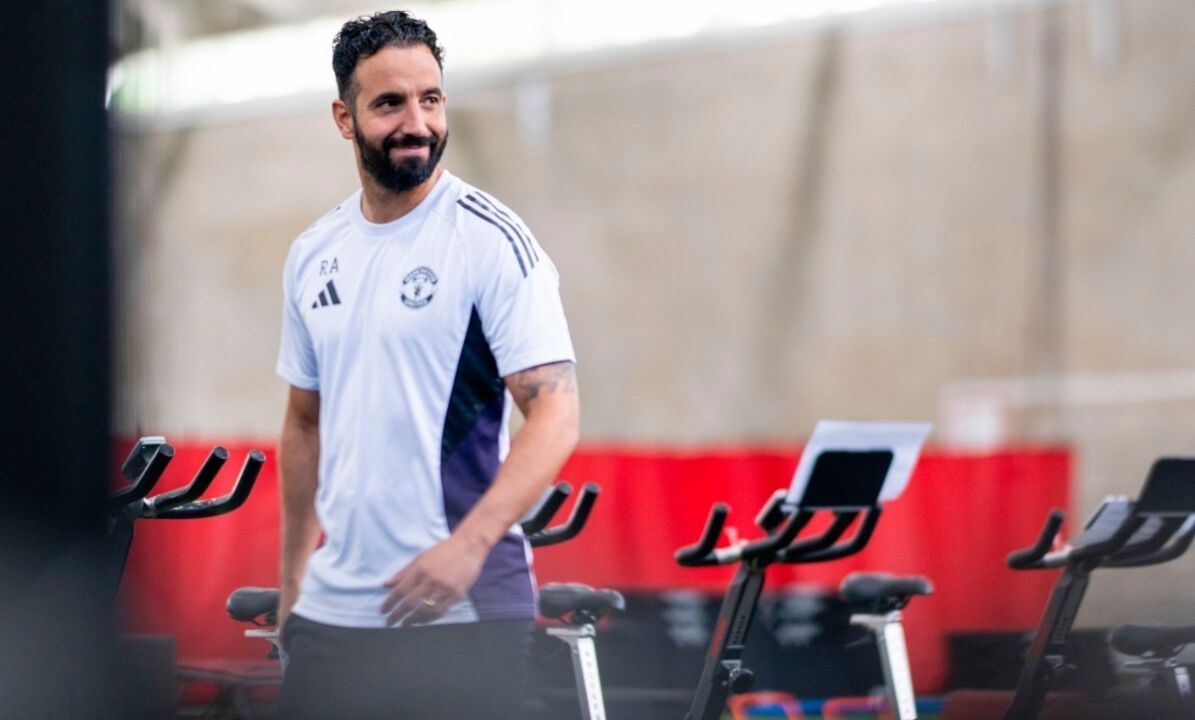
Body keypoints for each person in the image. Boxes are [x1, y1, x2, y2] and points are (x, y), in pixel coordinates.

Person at [274, 10, 580, 718]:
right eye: (389, 103)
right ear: (344, 118)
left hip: (461, 611)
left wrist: (469, 547)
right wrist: (292, 584)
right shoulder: (313, 253)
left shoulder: (491, 240)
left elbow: (556, 411)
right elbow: (302, 424)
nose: (417, 121)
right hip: (332, 617)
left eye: (431, 98)